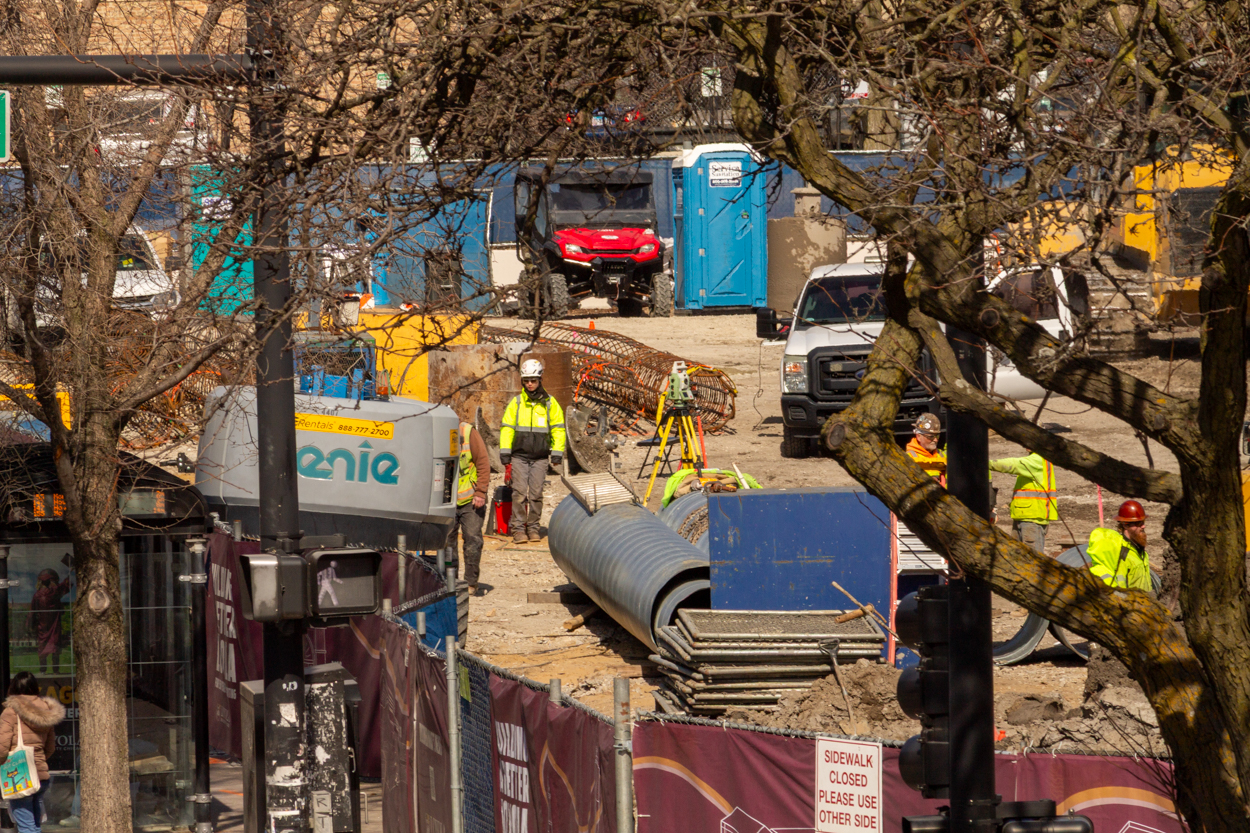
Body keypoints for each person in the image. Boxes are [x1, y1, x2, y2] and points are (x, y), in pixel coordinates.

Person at [499, 359, 566, 544]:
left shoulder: (550, 403)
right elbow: (507, 428)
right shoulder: (517, 403)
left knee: (536, 494)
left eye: (533, 380)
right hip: (519, 456)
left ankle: (534, 528)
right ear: (522, 380)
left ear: (540, 380)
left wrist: (558, 452)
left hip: (540, 458)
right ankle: (519, 530)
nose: (530, 383)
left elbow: (558, 429)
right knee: (519, 493)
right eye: (527, 380)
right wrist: (505, 452)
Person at [0, 671, 66, 833]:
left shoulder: (11, 712)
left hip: (19, 777)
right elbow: (50, 748)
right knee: (34, 826)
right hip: (41, 776)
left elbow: (2, 746)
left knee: (27, 827)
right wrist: (37, 761)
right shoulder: (46, 713)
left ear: (13, 688)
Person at [450, 419, 491, 594]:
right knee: (446, 542)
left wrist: (480, 492)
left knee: (473, 539)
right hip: (446, 499)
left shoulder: (468, 433)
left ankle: (470, 583)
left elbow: (483, 463)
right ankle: (449, 581)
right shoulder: (433, 431)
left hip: (470, 498)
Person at [989, 449, 1057, 553]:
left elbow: (1013, 464)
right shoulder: (1037, 460)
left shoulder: (1037, 460)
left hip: (1032, 519)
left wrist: (987, 463)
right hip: (1025, 516)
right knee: (1017, 555)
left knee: (1033, 558)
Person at [1087, 500, 1151, 590]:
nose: (1143, 526)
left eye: (1143, 522)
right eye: (1138, 523)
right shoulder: (1122, 554)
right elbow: (1121, 587)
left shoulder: (1140, 551)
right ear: (1125, 525)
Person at [27, 567, 71, 674]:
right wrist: (70, 573)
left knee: (43, 649)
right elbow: (66, 585)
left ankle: (43, 670)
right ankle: (55, 670)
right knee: (55, 648)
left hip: (43, 627)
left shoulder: (37, 595)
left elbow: (32, 612)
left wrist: (29, 625)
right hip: (53, 626)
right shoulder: (54, 592)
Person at [906, 413, 947, 485]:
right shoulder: (908, 459)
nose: (935, 440)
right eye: (931, 437)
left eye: (937, 436)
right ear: (918, 436)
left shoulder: (943, 455)